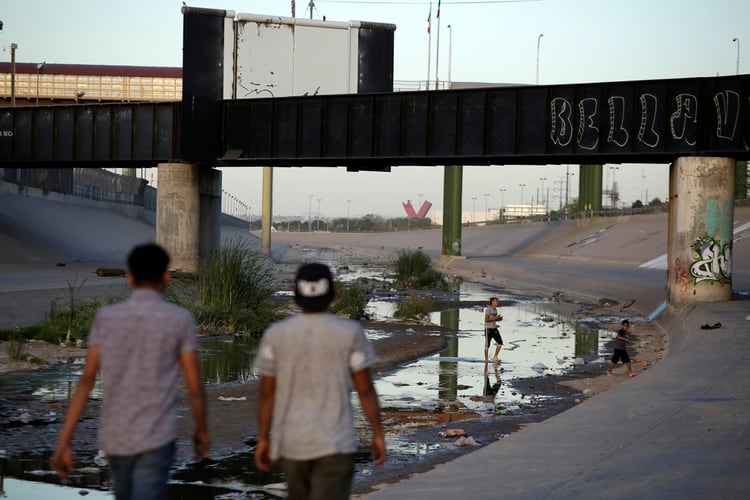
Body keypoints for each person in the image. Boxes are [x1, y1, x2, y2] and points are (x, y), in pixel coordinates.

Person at [50, 243, 209, 500]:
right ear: (166, 276)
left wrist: (64, 441)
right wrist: (201, 431)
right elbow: (194, 387)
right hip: (157, 436)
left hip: (116, 437)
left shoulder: (106, 318)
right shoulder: (180, 320)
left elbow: (87, 381)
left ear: (130, 276)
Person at [253, 262, 386, 500]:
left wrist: (263, 438)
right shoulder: (350, 332)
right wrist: (377, 433)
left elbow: (267, 393)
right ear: (333, 292)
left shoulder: (276, 334)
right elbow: (365, 389)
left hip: (292, 445)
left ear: (295, 293)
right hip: (336, 444)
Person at [484, 297, 504, 363]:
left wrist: (499, 319)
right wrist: (495, 318)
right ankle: (486, 360)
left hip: (494, 328)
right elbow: (486, 320)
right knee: (487, 345)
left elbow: (493, 319)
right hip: (488, 329)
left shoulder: (495, 310)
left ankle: (495, 356)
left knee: (500, 342)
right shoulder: (488, 309)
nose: (497, 302)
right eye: (496, 301)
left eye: (497, 301)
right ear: (492, 301)